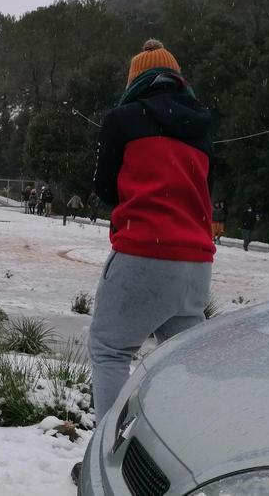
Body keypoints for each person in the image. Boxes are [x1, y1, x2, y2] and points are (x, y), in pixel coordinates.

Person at [87, 38, 214, 428]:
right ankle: (191, 447)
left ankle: (105, 455)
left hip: (144, 249)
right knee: (187, 359)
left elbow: (105, 188)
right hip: (196, 261)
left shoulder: (122, 120)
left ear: (135, 81)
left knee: (110, 350)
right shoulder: (202, 126)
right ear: (177, 78)